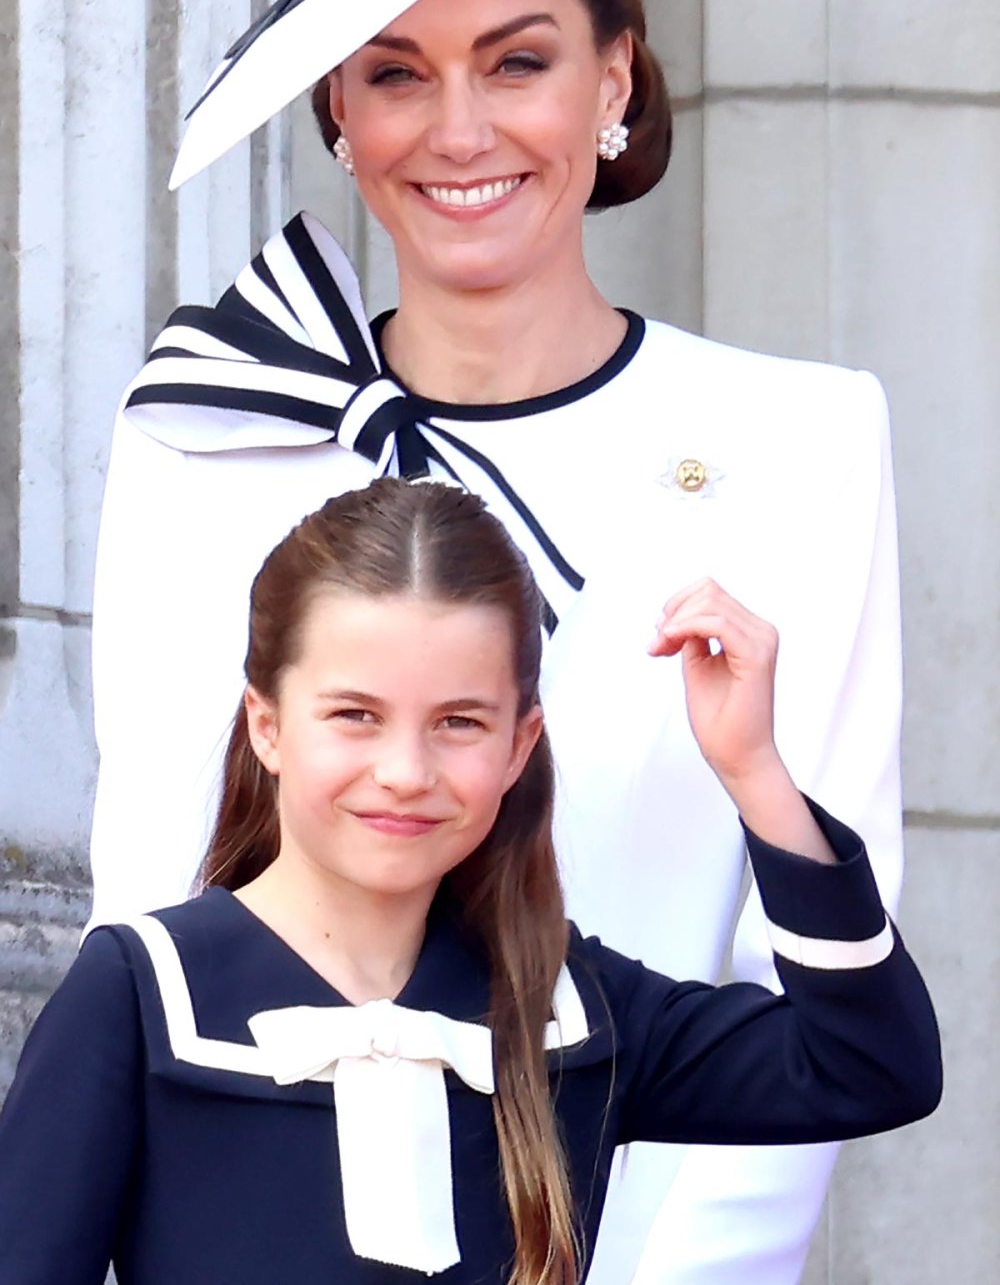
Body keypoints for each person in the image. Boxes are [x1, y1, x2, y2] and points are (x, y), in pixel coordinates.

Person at [87, 0, 901, 1285]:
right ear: (339, 108)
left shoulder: (807, 442)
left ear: (611, 84)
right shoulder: (211, 428)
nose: (457, 128)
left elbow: (796, 951)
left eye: (516, 60)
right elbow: (157, 903)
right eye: (394, 72)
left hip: (653, 1237)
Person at [2, 482, 940, 1285]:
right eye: (355, 715)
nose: (406, 769)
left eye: (458, 722)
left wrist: (753, 771)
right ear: (268, 726)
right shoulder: (143, 994)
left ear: (520, 744)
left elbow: (871, 1068)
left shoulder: (572, 1009)